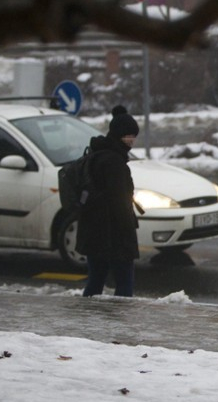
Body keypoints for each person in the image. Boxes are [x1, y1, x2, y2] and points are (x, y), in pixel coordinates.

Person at [77, 105, 140, 297]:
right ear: (117, 135)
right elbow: (119, 200)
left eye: (133, 136)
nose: (131, 140)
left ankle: (88, 319)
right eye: (127, 135)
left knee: (95, 281)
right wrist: (128, 229)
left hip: (94, 228)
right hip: (113, 233)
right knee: (124, 284)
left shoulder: (96, 154)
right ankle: (119, 323)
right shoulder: (114, 162)